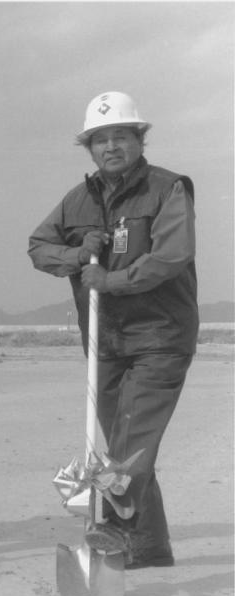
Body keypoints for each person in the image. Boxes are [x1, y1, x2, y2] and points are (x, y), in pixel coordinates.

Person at [29, 92, 197, 569]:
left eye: (120, 135)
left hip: (160, 336)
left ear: (139, 139)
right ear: (89, 148)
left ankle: (111, 532)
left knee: (129, 444)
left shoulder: (168, 189)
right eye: (100, 139)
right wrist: (77, 256)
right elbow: (39, 246)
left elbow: (171, 256)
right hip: (104, 341)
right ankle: (150, 548)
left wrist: (111, 280)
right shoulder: (78, 199)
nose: (110, 147)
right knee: (125, 446)